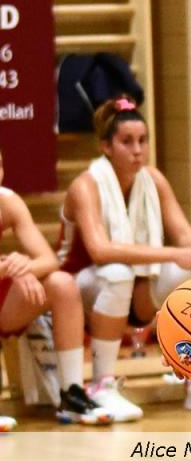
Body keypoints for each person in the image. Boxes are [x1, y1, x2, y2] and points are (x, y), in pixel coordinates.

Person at [58, 96, 191, 422]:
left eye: (143, 141)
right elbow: (100, 250)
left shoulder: (153, 179)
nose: (137, 150)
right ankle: (101, 384)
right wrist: (175, 253)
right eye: (127, 141)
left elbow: (183, 233)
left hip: (133, 287)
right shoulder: (85, 185)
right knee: (117, 272)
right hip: (76, 289)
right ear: (105, 146)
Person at [0, 150, 112, 425]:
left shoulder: (8, 202)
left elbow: (48, 260)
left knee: (62, 284)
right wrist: (8, 268)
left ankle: (71, 393)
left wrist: (23, 268)